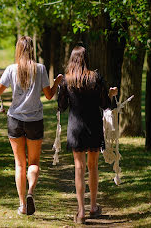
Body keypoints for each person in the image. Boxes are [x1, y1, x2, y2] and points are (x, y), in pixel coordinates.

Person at [0, 36, 63, 216]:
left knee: (19, 164)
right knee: (34, 162)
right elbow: (48, 95)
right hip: (35, 120)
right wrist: (57, 83)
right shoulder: (40, 69)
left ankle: (22, 205)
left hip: (15, 120)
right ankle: (31, 192)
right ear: (32, 50)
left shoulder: (11, 69)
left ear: (18, 50)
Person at [57, 45, 118, 224]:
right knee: (93, 167)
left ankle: (81, 211)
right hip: (93, 126)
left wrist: (60, 88)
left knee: (79, 168)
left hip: (75, 128)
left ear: (72, 59)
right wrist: (111, 94)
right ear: (87, 59)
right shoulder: (96, 77)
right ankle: (93, 206)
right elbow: (105, 104)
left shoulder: (67, 80)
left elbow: (62, 107)